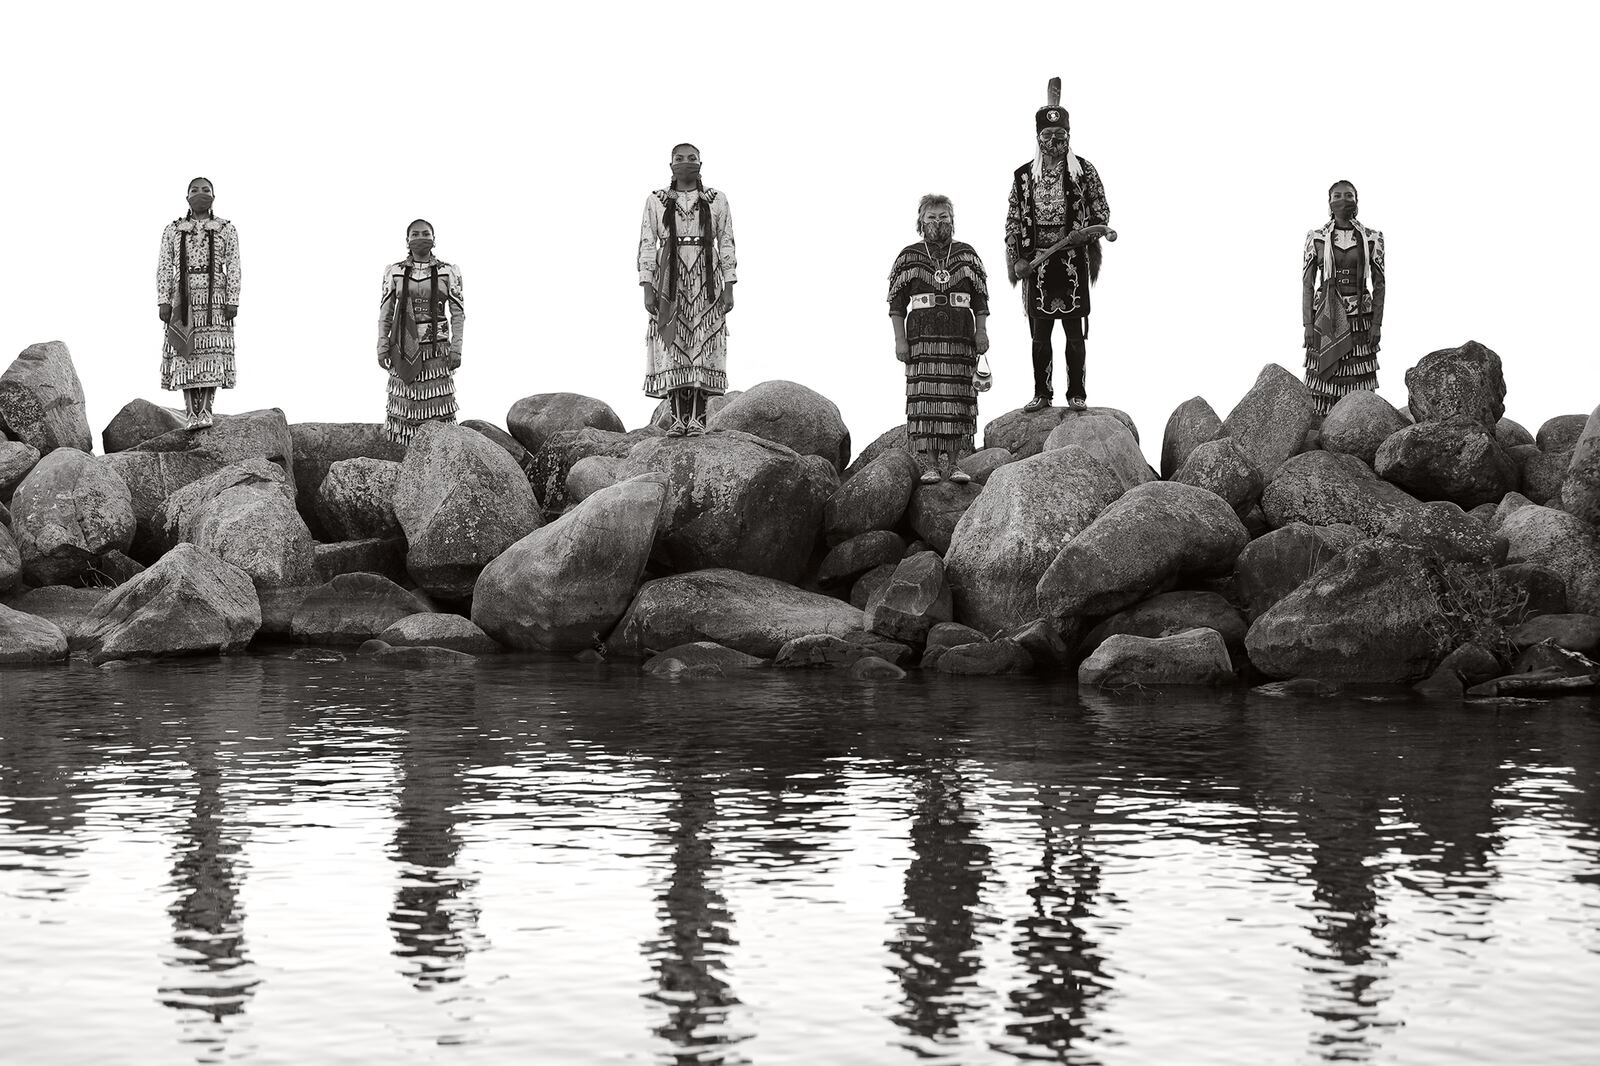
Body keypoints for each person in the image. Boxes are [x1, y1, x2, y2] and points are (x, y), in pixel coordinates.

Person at [1004, 79, 1113, 413]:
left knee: (1074, 333)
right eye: (1048, 135)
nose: (1055, 140)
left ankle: (1077, 394)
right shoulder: (1023, 177)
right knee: (1040, 335)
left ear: (1069, 135)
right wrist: (1017, 259)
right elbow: (1012, 222)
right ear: (1038, 137)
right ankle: (1042, 393)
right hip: (1037, 262)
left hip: (1072, 261)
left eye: (1060, 134)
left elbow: (1102, 213)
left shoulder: (1083, 171)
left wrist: (1086, 234)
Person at [888, 195, 990, 484]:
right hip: (922, 338)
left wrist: (981, 331)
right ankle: (932, 465)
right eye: (931, 217)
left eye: (943, 216)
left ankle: (955, 463)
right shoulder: (908, 256)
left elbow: (980, 300)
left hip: (960, 336)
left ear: (952, 220)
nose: (937, 221)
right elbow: (896, 305)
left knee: (958, 398)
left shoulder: (967, 254)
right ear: (921, 221)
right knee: (927, 400)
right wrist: (899, 341)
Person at [638, 143, 736, 436]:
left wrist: (729, 285)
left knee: (702, 341)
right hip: (669, 279)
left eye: (691, 158)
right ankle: (677, 420)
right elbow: (647, 243)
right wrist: (647, 286)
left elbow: (726, 241)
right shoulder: (656, 200)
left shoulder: (717, 199)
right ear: (671, 165)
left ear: (700, 164)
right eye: (679, 159)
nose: (686, 163)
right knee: (673, 344)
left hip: (707, 278)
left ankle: (698, 419)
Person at [157, 176, 240, 430]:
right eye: (195, 190)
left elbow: (234, 264)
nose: (200, 193)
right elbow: (164, 266)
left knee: (211, 351)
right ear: (187, 197)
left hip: (215, 299)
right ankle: (191, 413)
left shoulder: (226, 228)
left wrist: (233, 299)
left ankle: (206, 410)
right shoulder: (173, 229)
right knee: (187, 352)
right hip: (183, 297)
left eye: (205, 190)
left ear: (213, 196)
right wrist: (163, 300)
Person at [377, 219, 465, 446]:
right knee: (405, 406)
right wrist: (382, 346)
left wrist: (456, 349)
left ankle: (441, 457)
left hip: (437, 351)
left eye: (425, 233)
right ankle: (407, 458)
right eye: (415, 234)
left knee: (438, 406)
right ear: (407, 240)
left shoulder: (448, 271)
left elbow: (458, 314)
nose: (420, 237)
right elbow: (386, 313)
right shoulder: (395, 272)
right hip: (402, 347)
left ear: (434, 239)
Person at [1303, 181, 1385, 414]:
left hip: (1360, 320)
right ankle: (1322, 425)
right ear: (1329, 202)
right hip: (1324, 317)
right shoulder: (1316, 237)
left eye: (1349, 196)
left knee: (1358, 375)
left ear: (1356, 201)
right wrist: (1307, 324)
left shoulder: (1372, 237)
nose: (1343, 200)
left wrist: (1377, 324)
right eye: (1337, 196)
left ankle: (1358, 422)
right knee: (1323, 383)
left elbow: (1379, 284)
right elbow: (1307, 284)